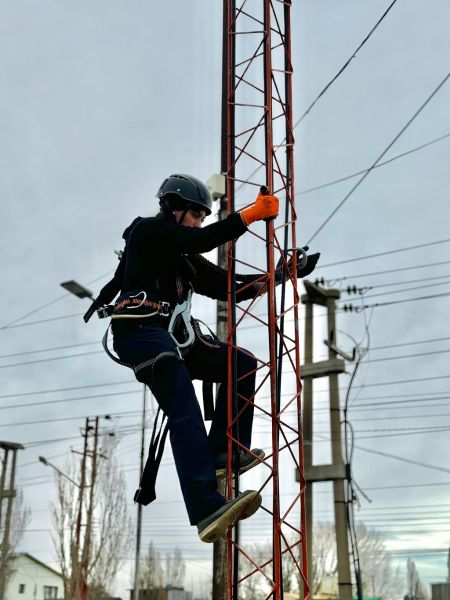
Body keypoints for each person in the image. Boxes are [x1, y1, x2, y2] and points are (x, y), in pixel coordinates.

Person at [84, 173, 319, 543]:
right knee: (184, 407)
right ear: (174, 208)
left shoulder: (186, 262)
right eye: (196, 214)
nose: (199, 223)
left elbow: (233, 287)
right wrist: (250, 215)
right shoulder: (148, 233)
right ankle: (205, 508)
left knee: (240, 363)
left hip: (174, 340)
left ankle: (225, 448)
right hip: (141, 336)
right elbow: (202, 239)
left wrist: (282, 274)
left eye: (203, 217)